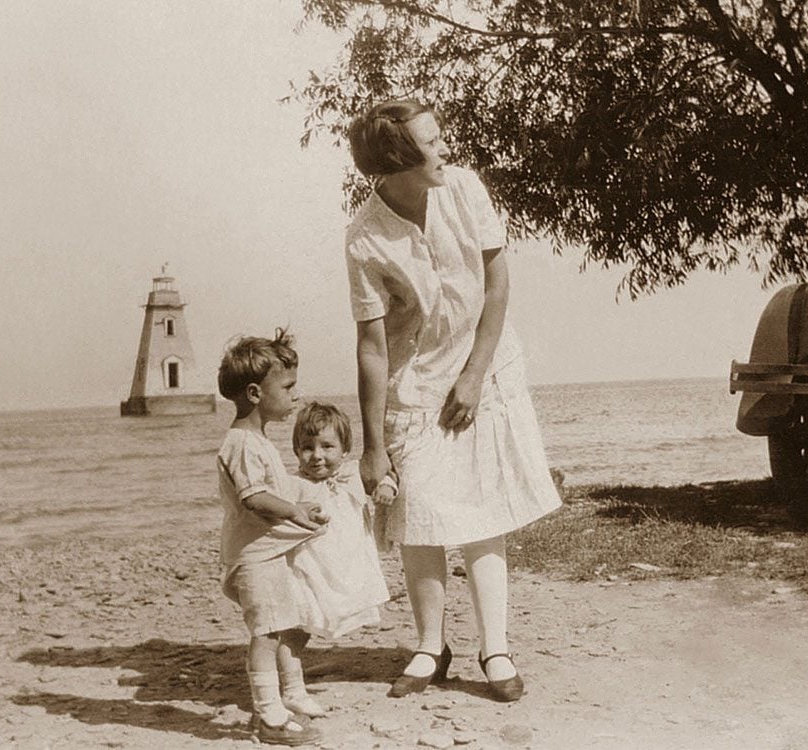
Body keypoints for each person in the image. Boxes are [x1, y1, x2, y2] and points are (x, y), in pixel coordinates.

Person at [344, 99, 563, 702]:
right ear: (396, 162)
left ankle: (495, 647)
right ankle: (429, 645)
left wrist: (474, 375)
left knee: (483, 510)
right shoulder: (364, 239)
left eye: (439, 140)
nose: (445, 151)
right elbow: (370, 344)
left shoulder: (464, 189)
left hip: (485, 368)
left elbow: (497, 286)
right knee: (418, 512)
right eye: (431, 144)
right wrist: (372, 449)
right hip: (415, 384)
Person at [215, 329, 326, 746]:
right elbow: (256, 498)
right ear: (256, 393)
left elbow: (272, 490)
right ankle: (268, 717)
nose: (295, 395)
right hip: (253, 558)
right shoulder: (242, 444)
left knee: (280, 625)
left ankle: (285, 700)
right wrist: (295, 511)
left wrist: (301, 505)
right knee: (265, 632)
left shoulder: (256, 441)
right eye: (289, 387)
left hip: (265, 554)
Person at [287, 402, 390, 639]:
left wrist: (386, 486)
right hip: (313, 562)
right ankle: (289, 667)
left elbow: (385, 474)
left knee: (349, 599)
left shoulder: (352, 473)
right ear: (296, 450)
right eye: (307, 448)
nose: (317, 456)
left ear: (345, 449)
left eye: (327, 446)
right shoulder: (294, 484)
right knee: (305, 614)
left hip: (349, 560)